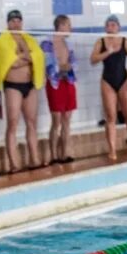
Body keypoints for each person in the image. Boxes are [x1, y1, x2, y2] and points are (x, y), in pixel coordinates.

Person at [0, 10, 46, 172]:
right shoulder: (3, 41)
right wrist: (26, 57)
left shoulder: (28, 39)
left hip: (30, 85)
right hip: (13, 86)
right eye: (13, 21)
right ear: (7, 23)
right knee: (13, 123)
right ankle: (14, 164)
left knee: (32, 123)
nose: (16, 24)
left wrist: (22, 56)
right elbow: (11, 63)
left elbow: (38, 57)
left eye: (18, 21)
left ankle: (34, 159)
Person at [91, 15, 127, 161]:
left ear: (118, 27)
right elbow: (93, 60)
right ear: (105, 27)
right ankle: (112, 149)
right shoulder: (100, 42)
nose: (111, 27)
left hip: (123, 81)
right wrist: (107, 52)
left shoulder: (125, 42)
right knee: (110, 117)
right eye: (108, 25)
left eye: (114, 25)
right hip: (107, 81)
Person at [43, 15, 77, 164]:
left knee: (67, 120)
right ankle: (54, 155)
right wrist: (63, 67)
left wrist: (64, 67)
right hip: (54, 84)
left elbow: (73, 64)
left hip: (68, 82)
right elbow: (48, 68)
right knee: (56, 120)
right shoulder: (47, 44)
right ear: (61, 25)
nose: (71, 28)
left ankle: (65, 153)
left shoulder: (68, 45)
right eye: (68, 25)